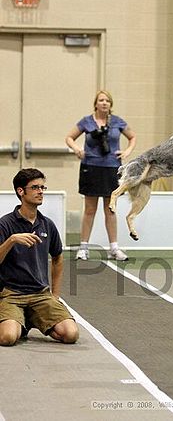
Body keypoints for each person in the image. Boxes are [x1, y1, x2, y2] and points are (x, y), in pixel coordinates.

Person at [0, 168, 79, 346]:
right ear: (21, 191)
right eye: (35, 187)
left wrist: (55, 295)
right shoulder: (5, 224)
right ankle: (20, 322)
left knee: (71, 334)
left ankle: (31, 319)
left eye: (43, 187)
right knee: (7, 338)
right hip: (12, 294)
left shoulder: (47, 225)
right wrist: (11, 241)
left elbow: (58, 258)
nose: (41, 192)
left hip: (40, 294)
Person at [65, 90, 136, 261]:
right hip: (91, 166)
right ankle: (83, 248)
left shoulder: (117, 122)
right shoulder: (87, 122)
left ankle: (114, 248)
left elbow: (132, 137)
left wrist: (126, 152)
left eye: (107, 101)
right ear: (95, 104)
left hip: (112, 168)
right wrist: (77, 149)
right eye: (101, 100)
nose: (104, 103)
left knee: (110, 209)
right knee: (90, 209)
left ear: (111, 105)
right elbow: (69, 137)